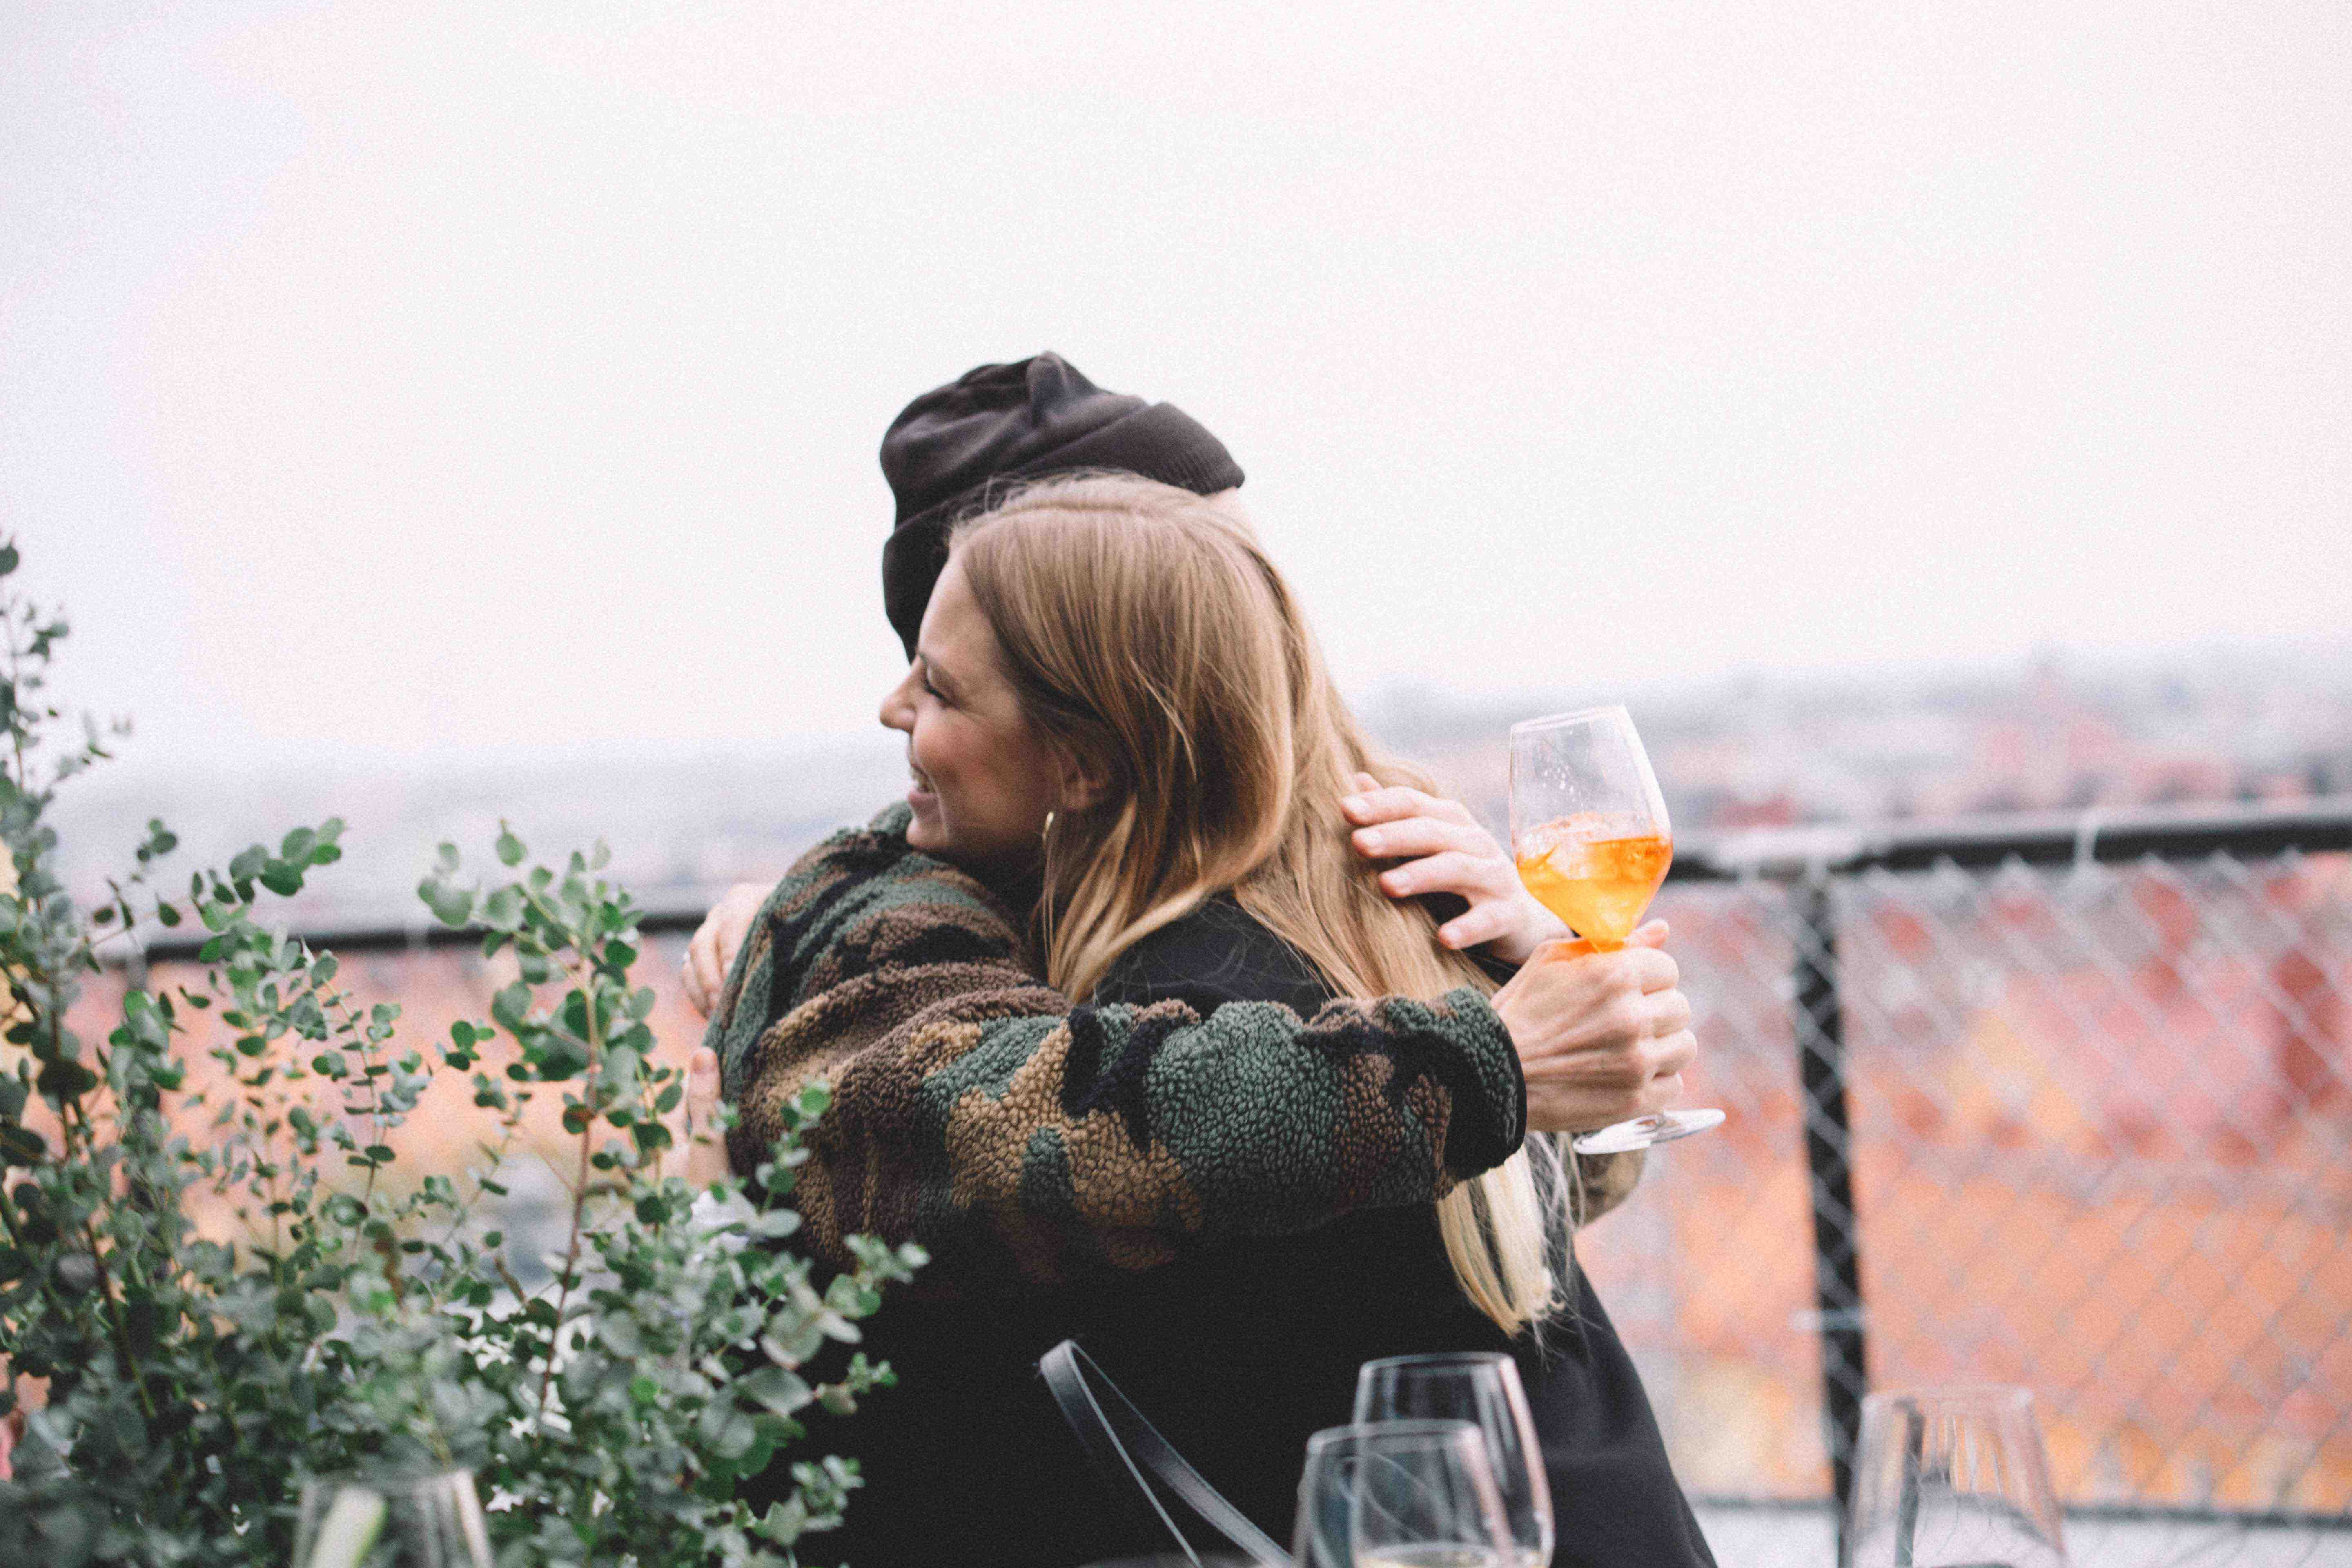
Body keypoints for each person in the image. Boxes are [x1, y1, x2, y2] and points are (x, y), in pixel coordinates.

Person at [685, 460, 1711, 1562]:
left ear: (1083, 763)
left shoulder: (1194, 1001)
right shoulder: (1362, 913)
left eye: (940, 689)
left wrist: (712, 1220)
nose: (894, 708)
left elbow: (1005, 1167)